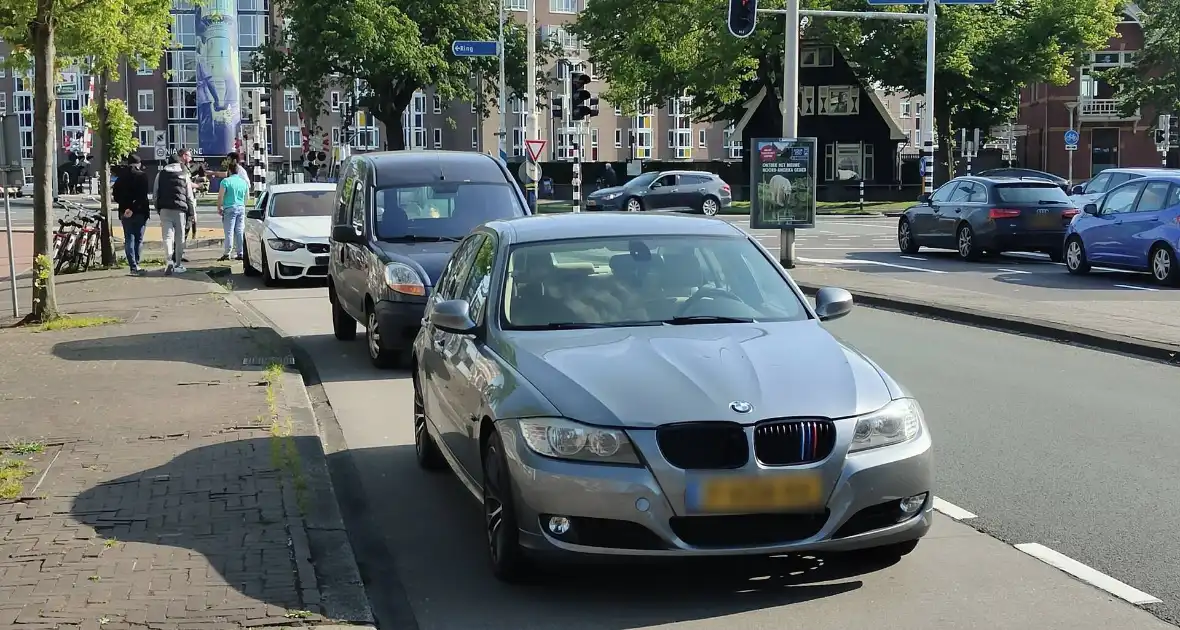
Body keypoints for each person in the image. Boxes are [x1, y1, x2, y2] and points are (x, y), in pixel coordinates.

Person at [153, 149, 197, 275]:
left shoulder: (160, 174)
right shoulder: (184, 174)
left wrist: (158, 209)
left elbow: (155, 195)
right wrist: (192, 213)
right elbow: (189, 196)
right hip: (180, 211)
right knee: (179, 237)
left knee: (167, 236)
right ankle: (178, 264)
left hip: (164, 209)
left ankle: (168, 261)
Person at [111, 154, 151, 274]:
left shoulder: (120, 177)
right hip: (139, 211)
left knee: (129, 238)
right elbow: (142, 196)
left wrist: (126, 207)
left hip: (124, 211)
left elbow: (116, 195)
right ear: (139, 164)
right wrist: (133, 208)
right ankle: (136, 264)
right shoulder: (142, 176)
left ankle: (132, 265)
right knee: (138, 238)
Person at [217, 168, 249, 261]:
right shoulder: (243, 182)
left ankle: (227, 253)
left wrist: (219, 207)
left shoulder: (225, 181)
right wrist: (243, 205)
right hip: (241, 207)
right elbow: (246, 197)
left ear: (229, 171)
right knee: (239, 231)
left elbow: (220, 196)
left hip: (229, 208)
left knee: (229, 231)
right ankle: (241, 252)